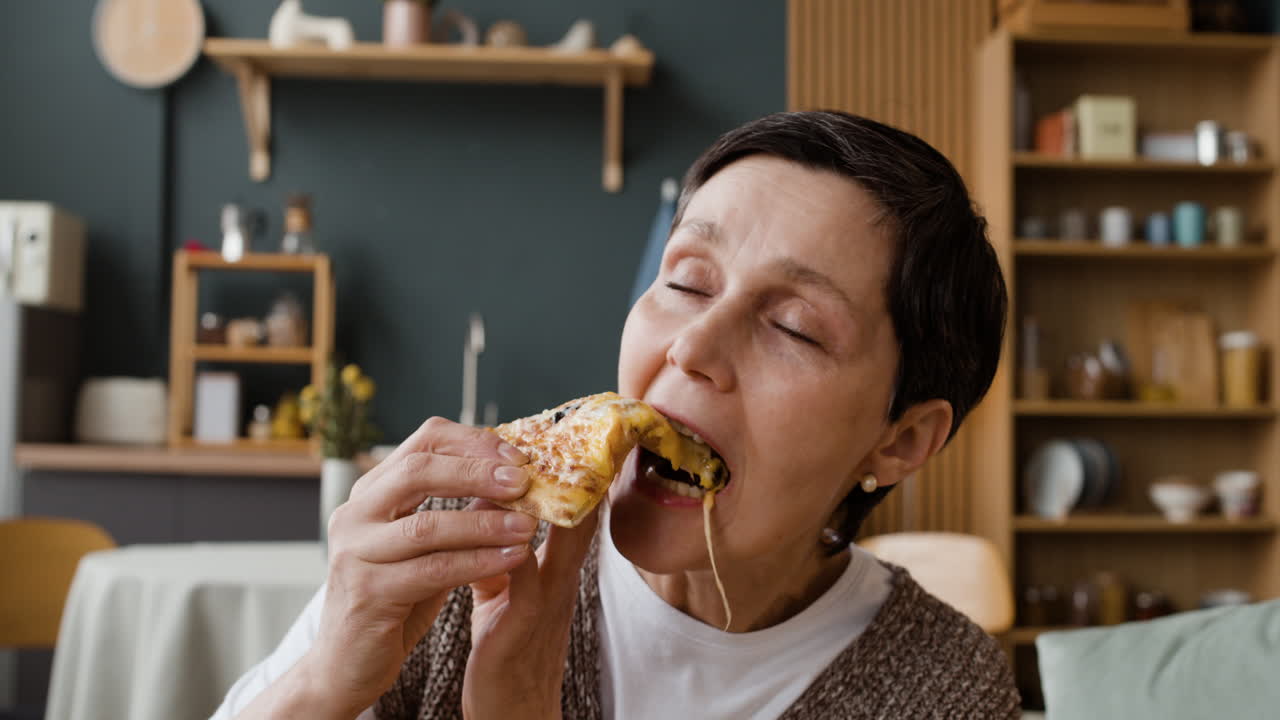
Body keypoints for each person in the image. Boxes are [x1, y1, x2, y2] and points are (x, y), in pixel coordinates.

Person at [213, 110, 1016, 720]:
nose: (693, 343)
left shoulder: (942, 688)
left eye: (794, 327)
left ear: (902, 438)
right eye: (687, 281)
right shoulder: (458, 544)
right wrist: (322, 683)